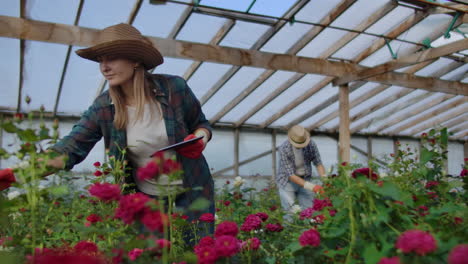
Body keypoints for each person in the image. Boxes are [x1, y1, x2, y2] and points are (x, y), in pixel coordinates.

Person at [0, 23, 215, 242]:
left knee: (197, 252)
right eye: (101, 60)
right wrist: (17, 173)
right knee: (152, 256)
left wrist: (200, 138)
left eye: (111, 58)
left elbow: (201, 123)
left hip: (193, 191)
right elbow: (69, 149)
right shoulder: (104, 107)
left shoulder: (173, 88)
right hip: (145, 200)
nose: (104, 67)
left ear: (135, 60)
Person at [276, 125, 326, 220]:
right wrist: (313, 187)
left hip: (305, 178)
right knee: (289, 213)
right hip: (287, 182)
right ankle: (290, 233)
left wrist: (325, 180)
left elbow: (318, 163)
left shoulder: (311, 144)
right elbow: (291, 175)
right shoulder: (284, 148)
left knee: (309, 211)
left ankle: (308, 233)